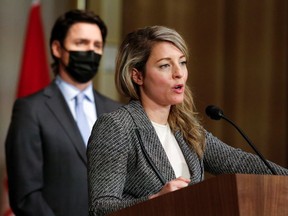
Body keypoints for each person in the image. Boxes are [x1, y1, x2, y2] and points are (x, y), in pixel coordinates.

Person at [87, 25, 288, 216]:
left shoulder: (186, 128)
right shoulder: (116, 126)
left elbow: (237, 161)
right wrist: (156, 200)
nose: (179, 73)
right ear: (137, 76)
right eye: (165, 65)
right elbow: (101, 208)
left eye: (182, 62)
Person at [5, 9, 121, 216]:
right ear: (57, 48)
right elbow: (25, 194)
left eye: (97, 45)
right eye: (81, 43)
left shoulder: (116, 112)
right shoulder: (31, 109)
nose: (90, 51)